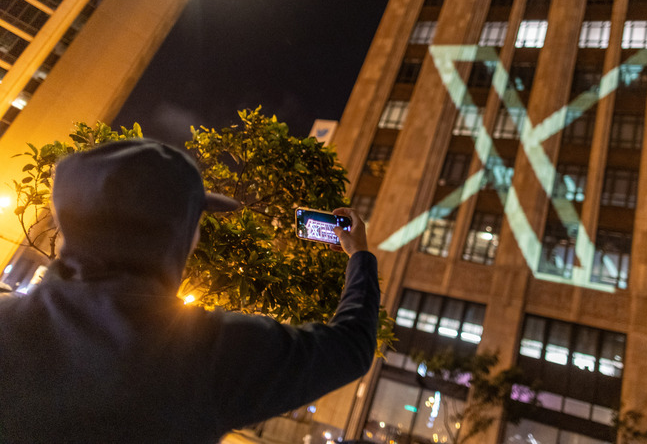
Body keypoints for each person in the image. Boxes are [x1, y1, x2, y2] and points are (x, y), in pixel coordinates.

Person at [0, 139, 379, 443]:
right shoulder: (210, 352)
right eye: (195, 221)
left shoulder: (7, 324)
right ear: (178, 235)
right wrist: (359, 254)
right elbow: (352, 346)